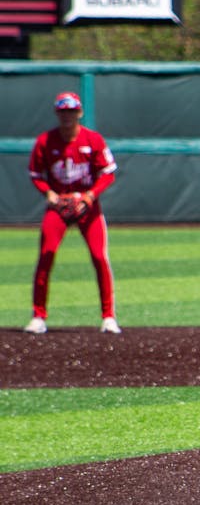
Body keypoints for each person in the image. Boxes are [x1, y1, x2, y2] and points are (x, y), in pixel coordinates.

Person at [24, 91, 122, 334]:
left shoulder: (93, 140)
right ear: (57, 113)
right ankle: (38, 316)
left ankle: (108, 316)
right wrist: (48, 193)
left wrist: (89, 195)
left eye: (71, 111)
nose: (67, 116)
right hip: (58, 207)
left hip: (86, 207)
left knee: (99, 257)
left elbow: (108, 173)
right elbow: (36, 175)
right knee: (46, 255)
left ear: (80, 112)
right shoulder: (45, 141)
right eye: (63, 111)